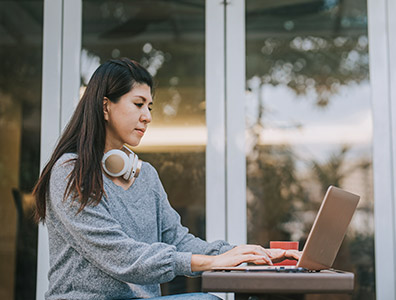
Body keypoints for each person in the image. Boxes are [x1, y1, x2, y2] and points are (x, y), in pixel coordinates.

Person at [33, 58, 300, 300]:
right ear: (105, 106)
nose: (147, 116)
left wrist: (245, 255)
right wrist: (208, 263)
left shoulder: (144, 175)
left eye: (149, 107)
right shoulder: (70, 171)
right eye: (138, 104)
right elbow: (121, 256)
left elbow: (178, 240)